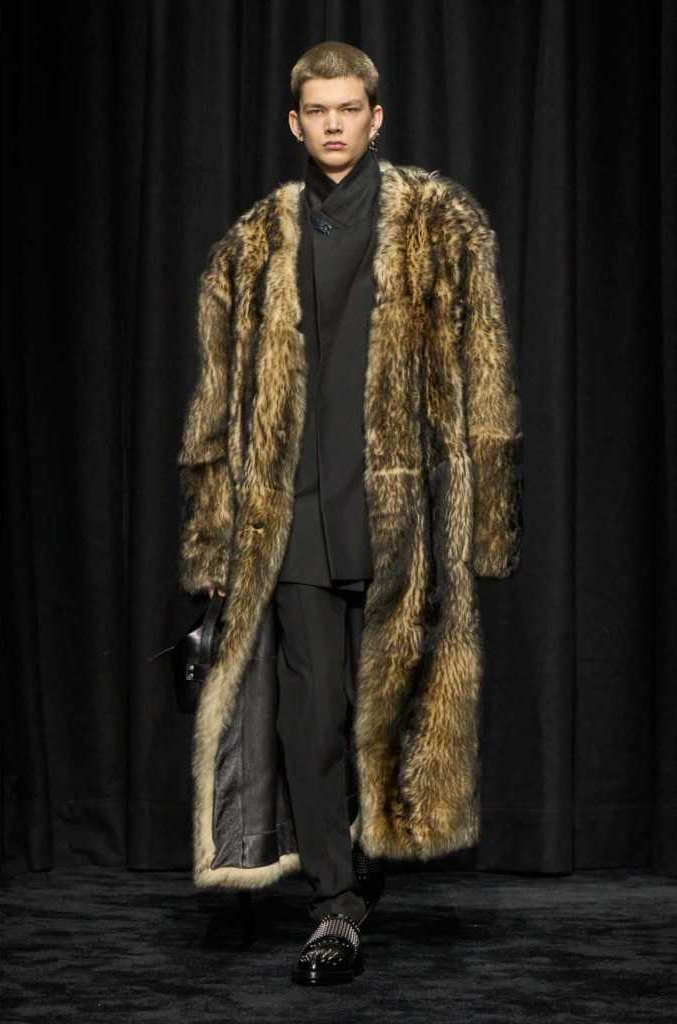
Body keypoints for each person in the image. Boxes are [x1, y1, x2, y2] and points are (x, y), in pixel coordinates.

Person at [177, 40, 524, 987]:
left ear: (376, 118)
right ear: (295, 124)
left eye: (348, 109)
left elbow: (486, 374)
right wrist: (212, 538)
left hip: (401, 517)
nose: (333, 125)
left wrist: (488, 521)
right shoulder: (252, 243)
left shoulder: (442, 224)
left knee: (391, 713)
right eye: (317, 111)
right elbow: (216, 404)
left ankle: (363, 868)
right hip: (287, 517)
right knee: (308, 719)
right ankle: (334, 903)